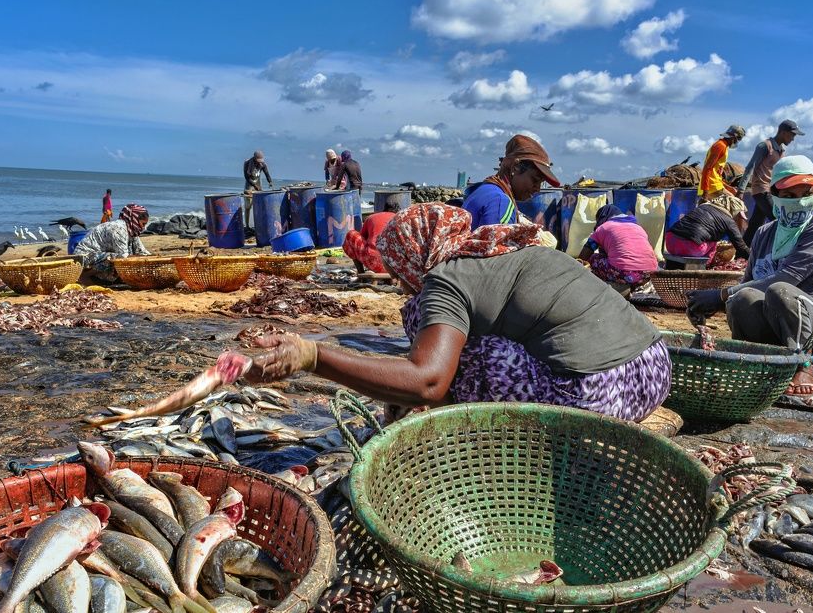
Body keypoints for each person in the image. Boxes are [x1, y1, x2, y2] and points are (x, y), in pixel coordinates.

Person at [246, 203, 671, 423]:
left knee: (442, 342)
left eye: (397, 271)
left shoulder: (445, 280)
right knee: (451, 341)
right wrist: (397, 390)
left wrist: (312, 355)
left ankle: (472, 434)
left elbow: (428, 381)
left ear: (411, 257)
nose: (399, 282)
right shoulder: (504, 250)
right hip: (652, 371)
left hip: (597, 397)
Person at [687, 155, 813, 396]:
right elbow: (748, 283)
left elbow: (786, 279)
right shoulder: (764, 233)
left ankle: (803, 363)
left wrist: (719, 295)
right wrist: (716, 303)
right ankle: (750, 360)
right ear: (774, 196)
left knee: (779, 289)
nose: (799, 202)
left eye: (805, 194)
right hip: (774, 321)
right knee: (743, 297)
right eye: (789, 196)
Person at [461, 134, 560, 229]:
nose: (537, 189)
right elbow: (496, 245)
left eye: (540, 183)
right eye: (535, 180)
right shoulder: (500, 202)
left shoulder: (485, 190)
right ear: (515, 167)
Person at [738, 120, 804, 244]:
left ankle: (742, 254)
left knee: (755, 224)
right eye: (792, 135)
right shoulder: (765, 146)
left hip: (771, 191)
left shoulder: (781, 151)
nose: (793, 139)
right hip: (762, 191)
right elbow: (750, 167)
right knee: (780, 220)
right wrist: (741, 190)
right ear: (783, 133)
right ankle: (781, 251)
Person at [578, 205, 659, 291]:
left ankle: (610, 287)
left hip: (624, 273)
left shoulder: (603, 227)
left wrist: (576, 266)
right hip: (649, 273)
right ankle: (632, 285)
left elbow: (587, 251)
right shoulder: (638, 227)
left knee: (593, 258)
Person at [74, 204, 151, 283]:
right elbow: (123, 257)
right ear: (134, 219)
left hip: (98, 256)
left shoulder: (132, 231)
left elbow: (142, 252)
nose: (143, 228)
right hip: (83, 257)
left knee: (130, 252)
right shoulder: (118, 229)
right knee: (116, 258)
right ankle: (84, 276)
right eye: (143, 224)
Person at [665, 194, 750, 264]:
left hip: (670, 243)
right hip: (690, 248)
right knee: (714, 241)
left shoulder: (702, 207)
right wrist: (753, 258)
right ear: (733, 209)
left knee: (709, 235)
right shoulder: (728, 220)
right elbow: (740, 246)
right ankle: (707, 265)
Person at [342, 199, 401, 274]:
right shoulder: (400, 219)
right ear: (398, 211)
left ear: (384, 209)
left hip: (374, 262)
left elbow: (363, 238)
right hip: (397, 266)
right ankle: (393, 277)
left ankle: (361, 273)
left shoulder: (371, 217)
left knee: (351, 234)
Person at [697, 125, 745, 199]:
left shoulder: (724, 146)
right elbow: (707, 169)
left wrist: (728, 187)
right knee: (737, 205)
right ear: (734, 137)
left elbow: (715, 174)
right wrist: (705, 193)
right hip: (712, 188)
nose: (737, 142)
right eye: (738, 139)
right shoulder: (720, 146)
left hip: (714, 186)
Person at [243, 150, 273, 228]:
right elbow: (247, 177)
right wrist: (254, 186)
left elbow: (267, 173)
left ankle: (259, 224)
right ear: (254, 159)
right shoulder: (247, 163)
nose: (259, 163)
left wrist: (270, 182)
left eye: (260, 161)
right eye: (257, 161)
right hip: (249, 186)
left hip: (258, 185)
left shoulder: (262, 164)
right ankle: (247, 225)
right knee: (248, 206)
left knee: (259, 205)